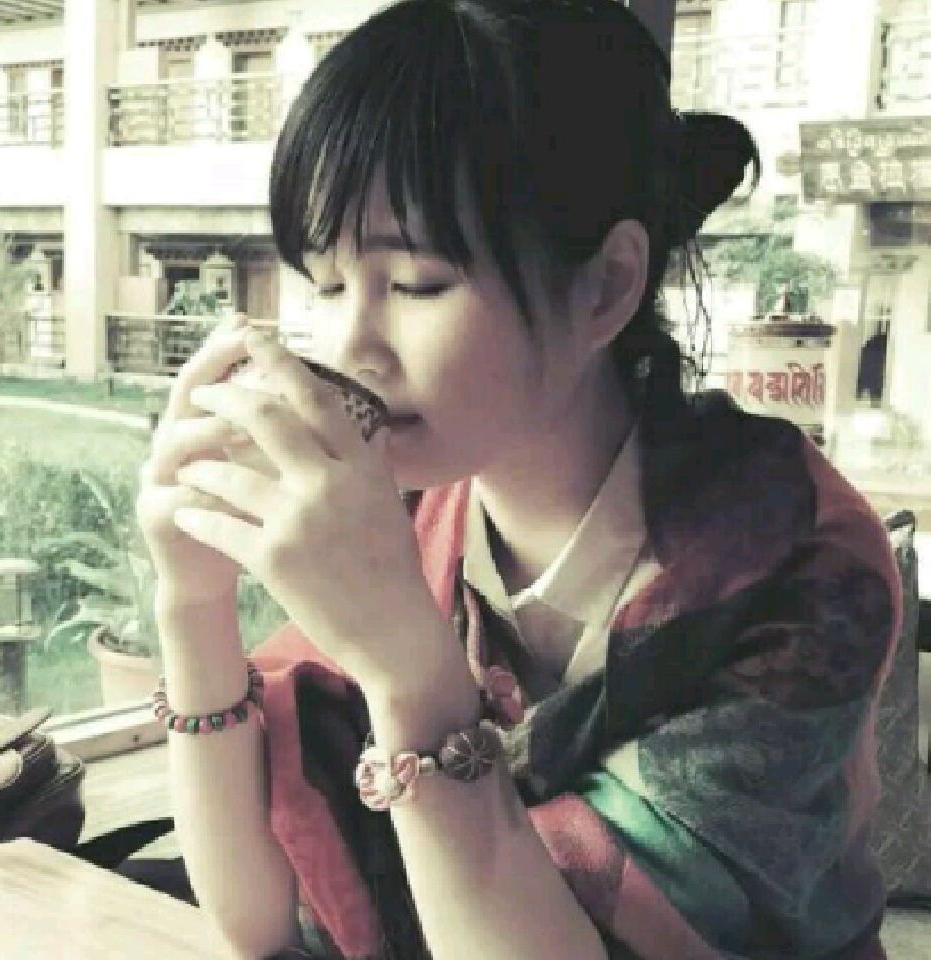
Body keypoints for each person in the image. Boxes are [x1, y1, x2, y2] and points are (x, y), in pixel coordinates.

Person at [132, 2, 902, 958]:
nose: (349, 345)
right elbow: (253, 919)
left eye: (415, 283)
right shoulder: (413, 510)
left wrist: (410, 673)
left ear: (605, 287)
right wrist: (192, 600)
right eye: (325, 285)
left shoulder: (799, 560)